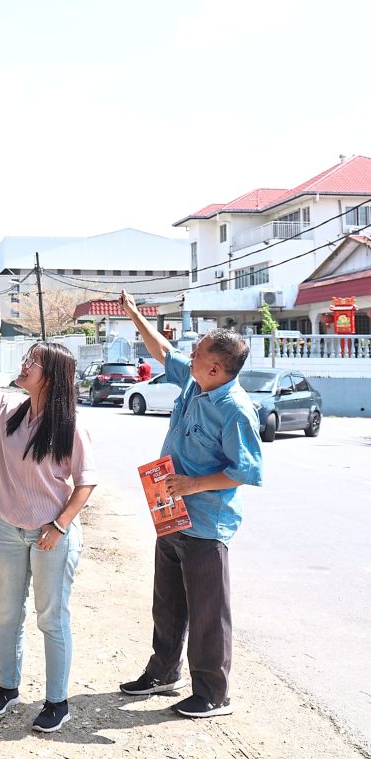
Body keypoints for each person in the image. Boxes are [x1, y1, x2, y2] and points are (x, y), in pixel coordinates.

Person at [118, 290, 263, 718]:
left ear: (215, 367)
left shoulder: (236, 410)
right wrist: (135, 314)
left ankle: (214, 694)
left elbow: (247, 471)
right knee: (167, 603)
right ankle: (163, 673)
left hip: (205, 523)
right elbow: (161, 350)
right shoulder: (196, 382)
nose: (189, 354)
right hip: (171, 514)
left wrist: (194, 483)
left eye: (197, 352)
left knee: (207, 614)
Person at [0, 309, 97, 733]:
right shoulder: (11, 407)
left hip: (52, 535)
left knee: (51, 617)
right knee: (7, 612)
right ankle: (7, 688)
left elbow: (86, 483)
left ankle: (57, 701)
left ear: (54, 376)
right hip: (8, 528)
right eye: (24, 359)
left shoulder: (71, 425)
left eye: (32, 362)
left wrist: (58, 526)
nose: (23, 366)